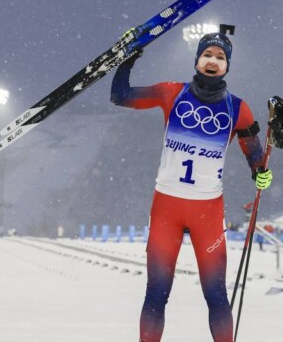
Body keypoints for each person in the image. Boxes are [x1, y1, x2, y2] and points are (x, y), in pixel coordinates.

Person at [111, 32, 271, 342]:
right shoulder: (171, 92)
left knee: (216, 295)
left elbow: (253, 151)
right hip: (167, 208)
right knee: (156, 293)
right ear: (197, 60)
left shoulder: (238, 109)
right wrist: (128, 59)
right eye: (207, 54)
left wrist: (260, 172)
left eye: (220, 57)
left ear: (227, 66)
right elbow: (121, 95)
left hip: (207, 212)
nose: (213, 61)